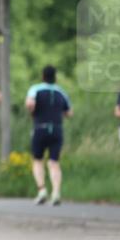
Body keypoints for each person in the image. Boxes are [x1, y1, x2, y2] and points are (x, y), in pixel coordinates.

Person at [26, 65, 73, 205]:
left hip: (40, 128)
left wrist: (33, 112)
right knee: (54, 162)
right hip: (57, 129)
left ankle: (42, 190)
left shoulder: (35, 89)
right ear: (55, 77)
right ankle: (56, 192)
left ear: (42, 76)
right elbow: (69, 112)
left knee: (38, 160)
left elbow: (29, 104)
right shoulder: (61, 92)